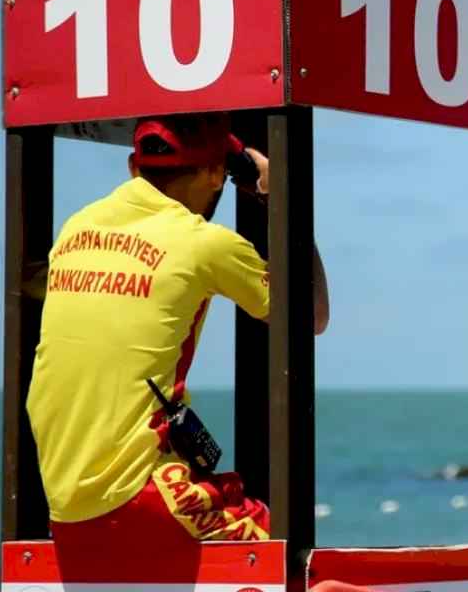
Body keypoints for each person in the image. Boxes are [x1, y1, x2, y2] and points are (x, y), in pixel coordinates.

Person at [26, 113, 330, 568]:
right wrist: (280, 196)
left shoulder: (77, 229)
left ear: (134, 166)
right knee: (285, 546)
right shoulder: (203, 243)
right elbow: (313, 315)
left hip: (62, 504)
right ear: (214, 173)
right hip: (137, 496)